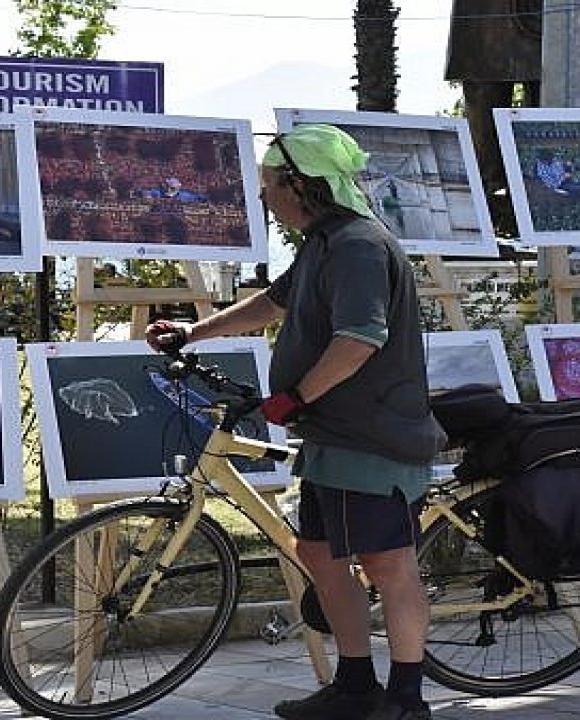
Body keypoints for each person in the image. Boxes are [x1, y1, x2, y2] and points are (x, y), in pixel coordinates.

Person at [146, 124, 445, 720]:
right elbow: (274, 302)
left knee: (389, 564)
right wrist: (192, 331)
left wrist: (294, 398)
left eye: (269, 185)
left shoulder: (359, 246)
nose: (264, 198)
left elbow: (360, 340)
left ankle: (408, 698)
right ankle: (356, 684)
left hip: (374, 436)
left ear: (301, 186)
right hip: (333, 436)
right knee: (321, 555)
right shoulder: (322, 242)